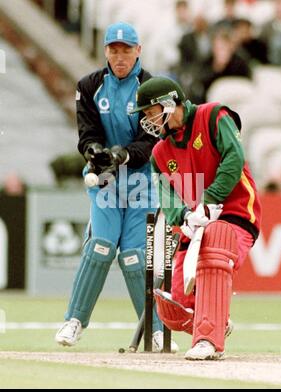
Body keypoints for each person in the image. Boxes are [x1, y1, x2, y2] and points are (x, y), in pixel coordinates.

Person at [55, 22, 178, 353]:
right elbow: (87, 133)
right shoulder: (90, 86)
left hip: (141, 180)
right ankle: (74, 320)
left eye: (126, 50)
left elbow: (151, 140)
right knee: (101, 246)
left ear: (138, 51)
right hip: (105, 180)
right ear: (105, 51)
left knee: (136, 257)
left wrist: (123, 154)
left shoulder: (152, 87)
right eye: (114, 49)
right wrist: (94, 152)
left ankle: (153, 328)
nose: (119, 56)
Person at [131, 76, 261, 360]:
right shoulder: (159, 153)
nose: (146, 120)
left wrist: (210, 200)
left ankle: (208, 340)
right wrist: (187, 216)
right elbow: (167, 197)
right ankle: (215, 322)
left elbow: (234, 158)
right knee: (175, 307)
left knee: (216, 245)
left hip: (236, 212)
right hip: (196, 225)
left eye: (149, 112)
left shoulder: (214, 115)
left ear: (168, 104)